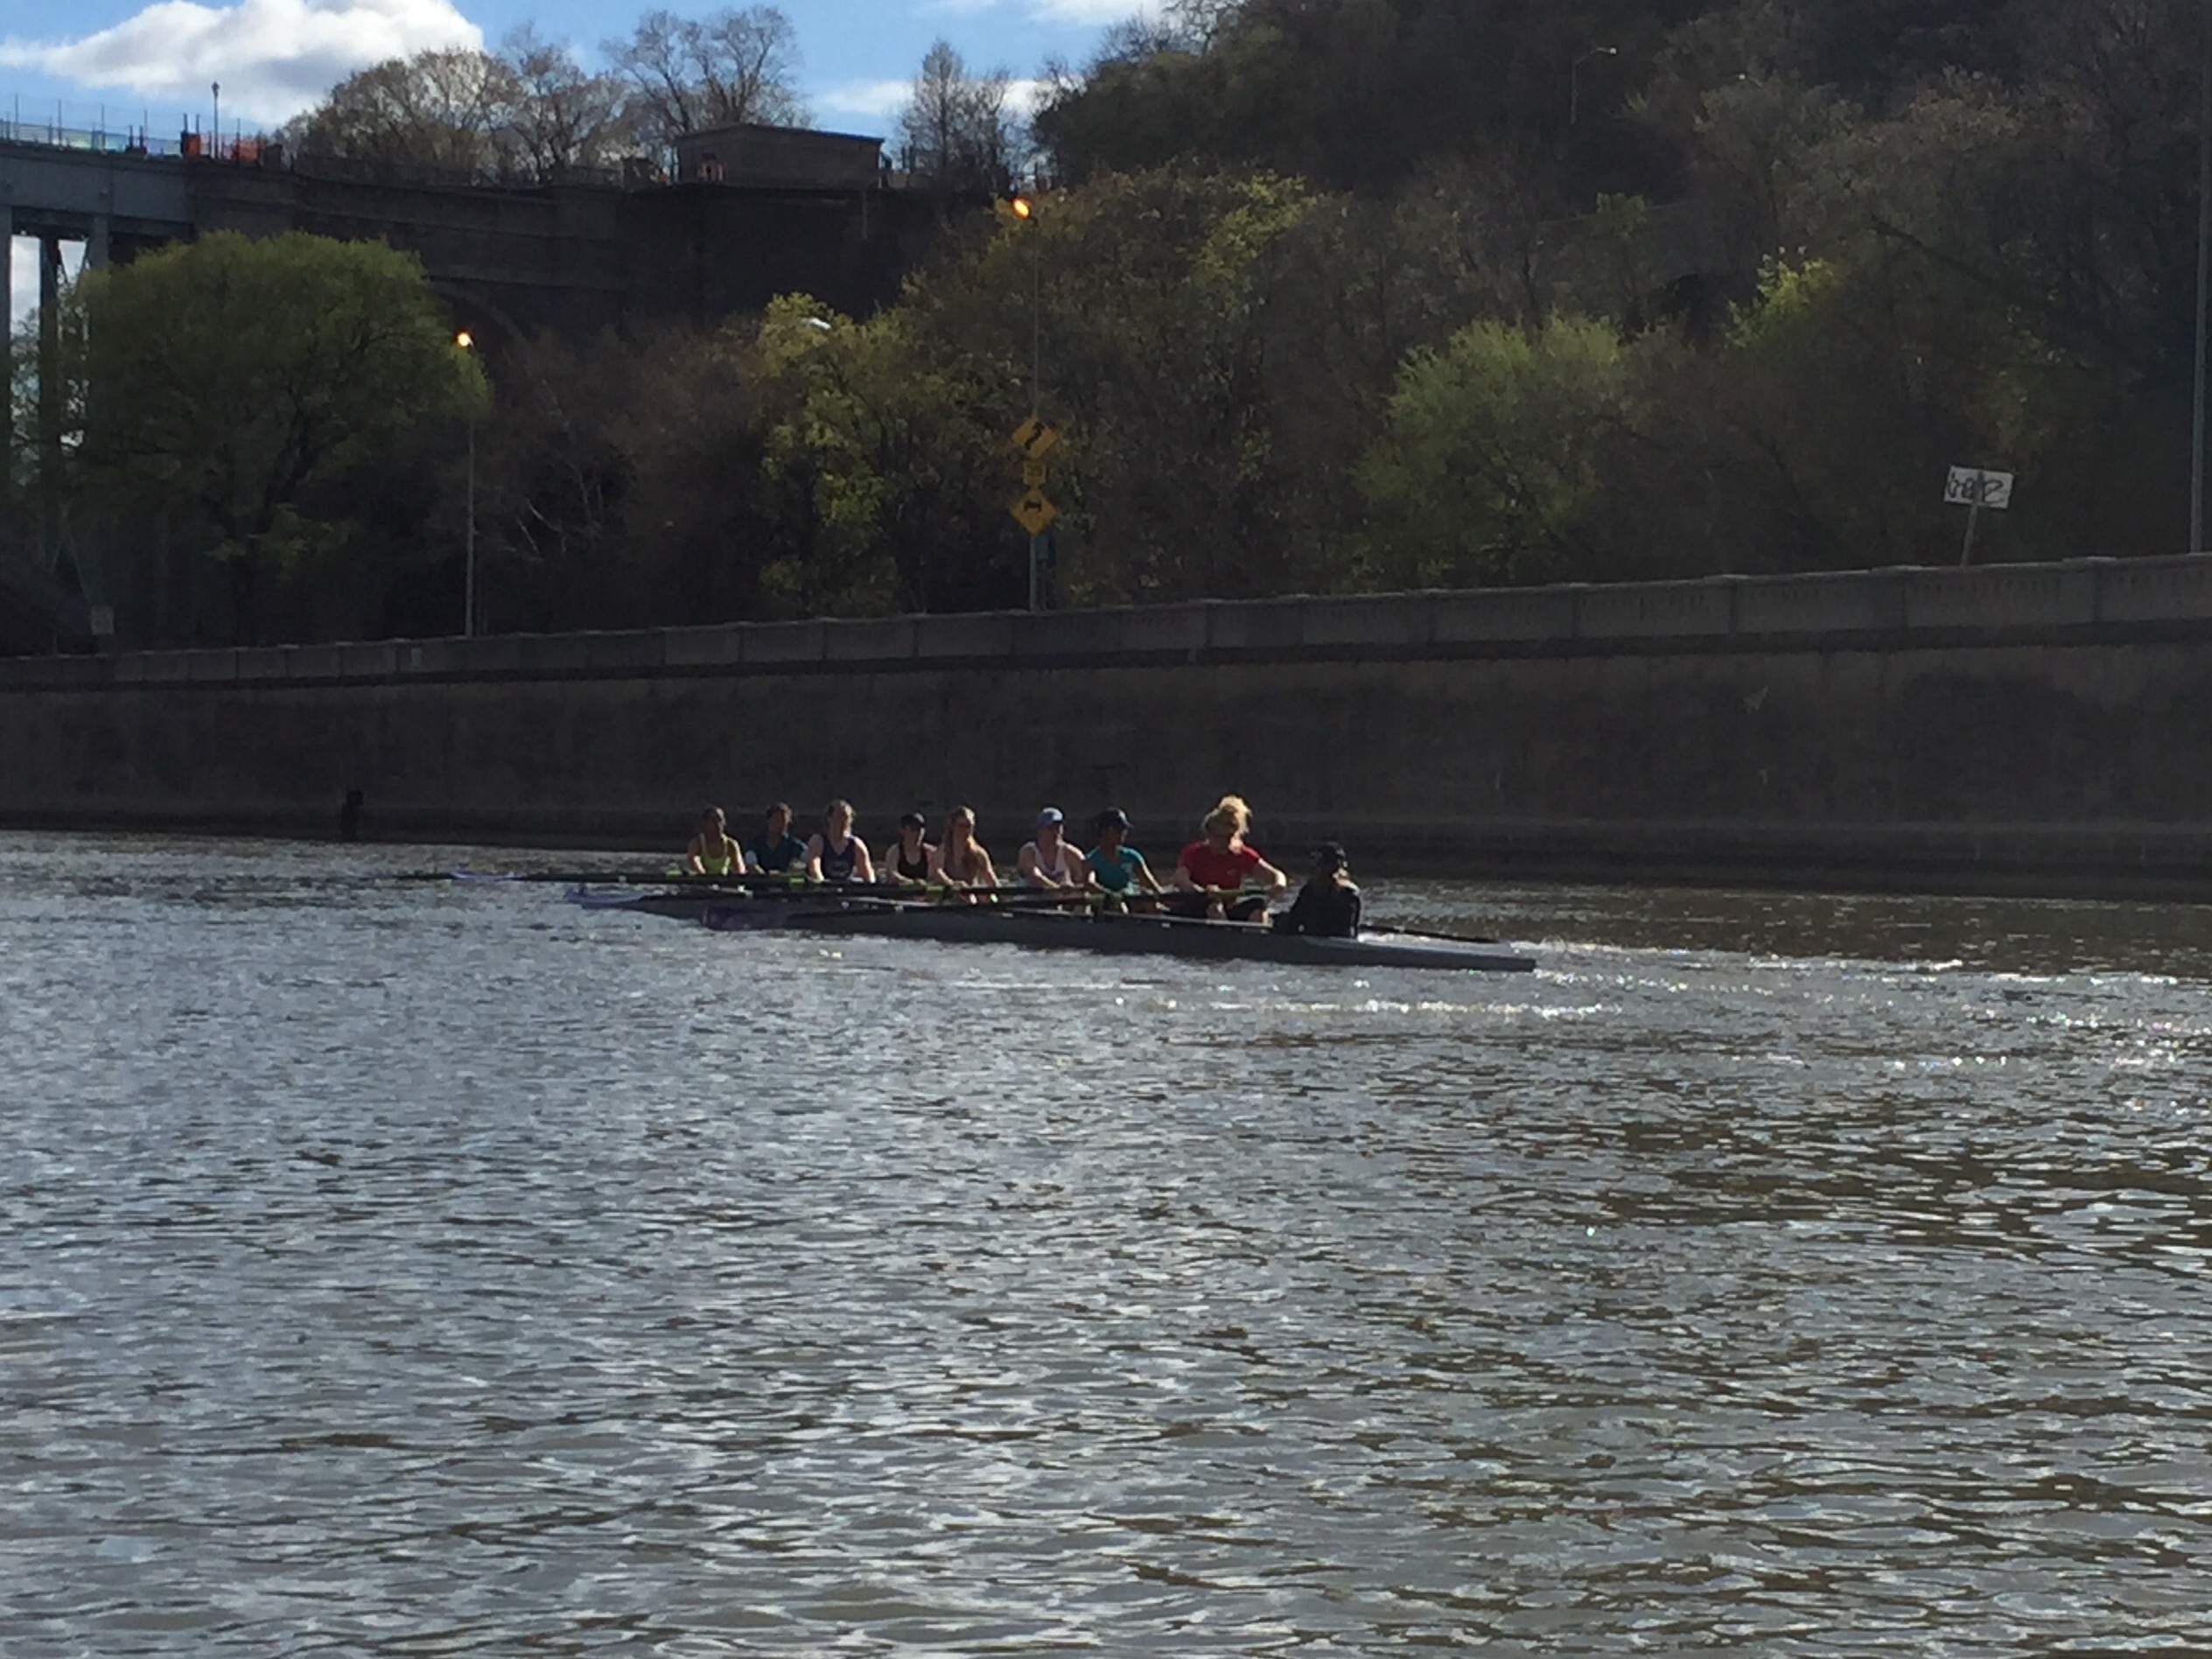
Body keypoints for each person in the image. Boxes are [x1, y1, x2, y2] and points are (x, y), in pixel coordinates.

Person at [1169, 794, 1288, 922]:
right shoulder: (1193, 852)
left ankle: (1257, 938)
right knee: (1214, 906)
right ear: (1209, 834)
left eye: (1229, 837)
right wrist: (1202, 892)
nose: (1225, 842)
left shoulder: (1241, 854)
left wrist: (1279, 884)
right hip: (1196, 908)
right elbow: (1181, 879)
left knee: (1258, 906)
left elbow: (1276, 874)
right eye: (1220, 837)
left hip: (1227, 910)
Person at [1272, 843, 1362, 938]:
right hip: (1342, 946)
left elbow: (1293, 923)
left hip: (1314, 946)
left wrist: (1280, 921)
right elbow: (1352, 930)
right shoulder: (1352, 894)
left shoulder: (1311, 891)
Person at [1085, 808, 1165, 906]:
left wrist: (1163, 896)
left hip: (1130, 898)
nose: (1123, 833)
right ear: (1104, 831)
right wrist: (1112, 895)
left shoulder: (1132, 856)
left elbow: (1149, 883)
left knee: (1150, 902)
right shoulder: (1091, 860)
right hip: (1106, 903)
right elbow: (1089, 884)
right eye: (1118, 829)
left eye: (1123, 829)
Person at [1018, 808, 1091, 894]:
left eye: (1058, 828)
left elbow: (1087, 870)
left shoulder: (1070, 852)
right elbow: (1036, 877)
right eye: (1050, 829)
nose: (1055, 833)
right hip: (1028, 903)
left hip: (1059, 903)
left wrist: (1075, 885)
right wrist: (1058, 889)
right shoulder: (1028, 852)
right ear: (1040, 830)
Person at [929, 806, 998, 892]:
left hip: (971, 896)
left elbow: (992, 881)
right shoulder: (943, 850)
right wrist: (953, 884)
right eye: (961, 826)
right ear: (953, 827)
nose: (965, 831)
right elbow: (937, 872)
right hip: (949, 896)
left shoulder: (978, 854)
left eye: (968, 826)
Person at [806, 799, 875, 883]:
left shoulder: (856, 844)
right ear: (829, 818)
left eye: (846, 817)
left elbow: (867, 873)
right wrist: (822, 883)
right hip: (824, 890)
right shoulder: (818, 841)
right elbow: (814, 868)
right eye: (839, 816)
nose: (843, 821)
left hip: (846, 890)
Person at [746, 802, 809, 876]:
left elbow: (810, 860)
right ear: (768, 820)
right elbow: (751, 864)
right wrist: (765, 876)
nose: (779, 825)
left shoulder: (795, 845)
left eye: (783, 821)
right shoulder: (756, 844)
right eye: (776, 820)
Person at [685, 806, 744, 876]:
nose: (717, 824)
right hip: (702, 883)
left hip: (723, 883)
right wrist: (705, 877)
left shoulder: (731, 844)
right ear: (705, 823)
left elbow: (740, 870)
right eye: (713, 821)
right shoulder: (697, 843)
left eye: (720, 820)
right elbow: (694, 863)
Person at [884, 810, 935, 886]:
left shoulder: (930, 852)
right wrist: (912, 883)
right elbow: (892, 874)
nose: (917, 833)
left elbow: (933, 876)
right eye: (913, 829)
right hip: (900, 894)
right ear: (902, 830)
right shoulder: (894, 851)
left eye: (920, 829)